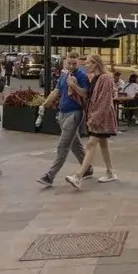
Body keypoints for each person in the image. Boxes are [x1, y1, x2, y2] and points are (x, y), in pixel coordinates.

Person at [36, 53, 95, 187]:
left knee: (63, 146)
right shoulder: (63, 75)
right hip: (62, 113)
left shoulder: (81, 76)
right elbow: (56, 92)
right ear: (65, 63)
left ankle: (50, 176)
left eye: (74, 63)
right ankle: (88, 169)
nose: (71, 66)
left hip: (74, 113)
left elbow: (85, 94)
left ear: (79, 63)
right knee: (74, 144)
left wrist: (74, 86)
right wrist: (44, 104)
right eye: (69, 63)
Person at [66, 55, 119, 188]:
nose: (86, 65)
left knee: (90, 144)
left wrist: (94, 118)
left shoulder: (105, 78)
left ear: (96, 64)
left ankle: (78, 176)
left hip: (101, 118)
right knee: (103, 144)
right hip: (99, 116)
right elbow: (90, 97)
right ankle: (110, 172)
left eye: (89, 63)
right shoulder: (95, 78)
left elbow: (105, 101)